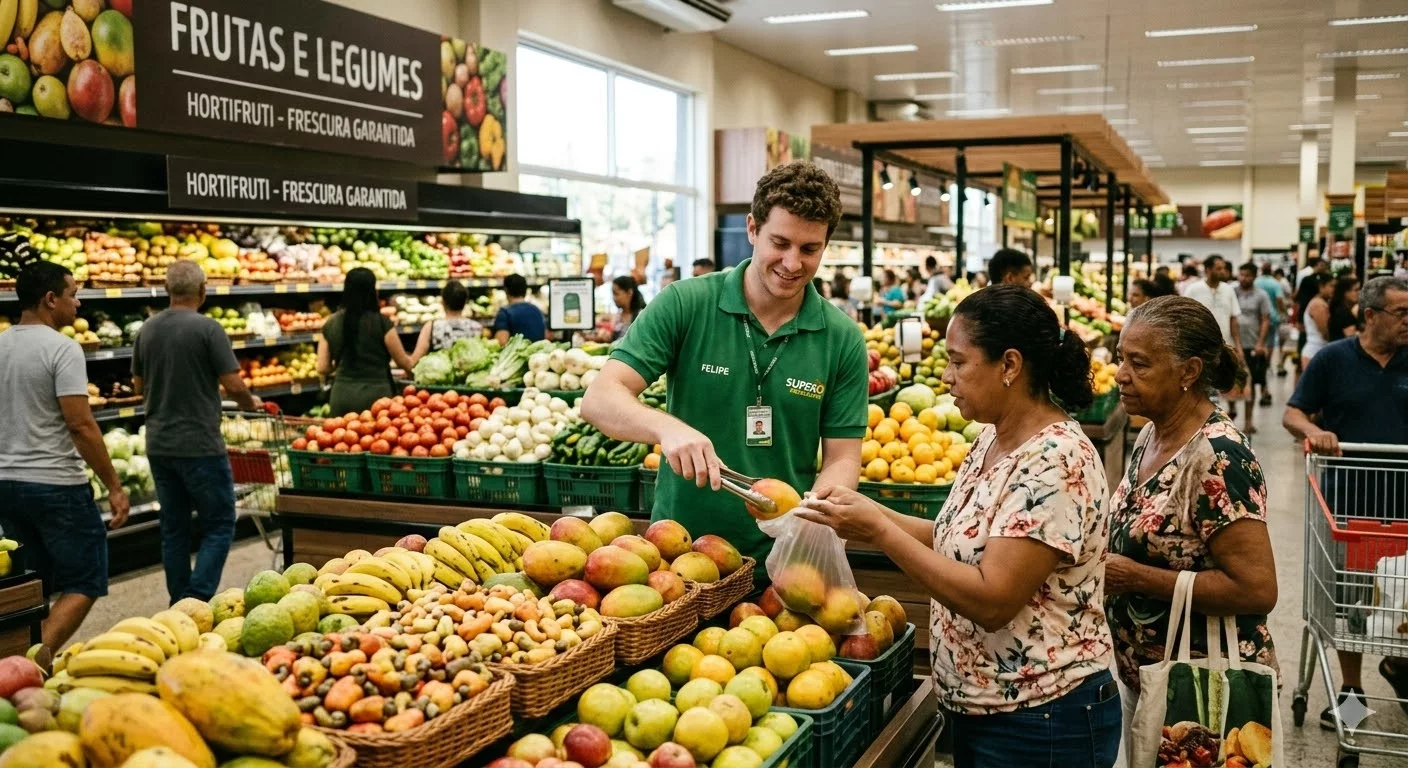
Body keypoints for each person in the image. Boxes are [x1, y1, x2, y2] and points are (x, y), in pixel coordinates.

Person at [797, 284, 1118, 767]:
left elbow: (993, 600)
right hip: (985, 710)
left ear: (1009, 366)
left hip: (1042, 721)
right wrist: (862, 509)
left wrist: (880, 533)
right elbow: (951, 535)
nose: (946, 376)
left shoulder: (1056, 461)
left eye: (958, 362)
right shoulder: (993, 437)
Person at [579, 160, 867, 570]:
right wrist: (667, 427)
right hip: (680, 561)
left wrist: (812, 524)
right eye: (779, 243)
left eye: (809, 249)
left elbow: (842, 457)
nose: (792, 263)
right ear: (752, 228)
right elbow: (600, 398)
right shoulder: (685, 303)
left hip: (784, 563)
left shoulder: (842, 337)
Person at [1104, 295, 1278, 741]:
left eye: (1139, 363)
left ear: (1189, 372)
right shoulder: (1150, 434)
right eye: (1121, 358)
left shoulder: (1218, 457)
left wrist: (1137, 577)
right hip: (1147, 676)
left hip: (1202, 690)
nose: (1121, 375)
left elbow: (1257, 588)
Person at [1283, 276, 1408, 727]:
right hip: (1349, 505)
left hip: (1405, 509)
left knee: (1402, 603)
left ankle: (1398, 664)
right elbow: (1292, 412)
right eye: (1402, 313)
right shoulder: (1332, 359)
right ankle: (1351, 695)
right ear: (1370, 316)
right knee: (1351, 604)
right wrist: (1315, 433)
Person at [0, 262, 130, 653]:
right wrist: (114, 485)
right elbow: (81, 425)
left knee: (32, 585)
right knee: (86, 580)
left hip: (7, 485)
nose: (79, 303)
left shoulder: (1, 345)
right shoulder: (62, 349)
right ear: (50, 299)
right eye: (73, 294)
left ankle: (18, 665)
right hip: (57, 485)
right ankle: (35, 661)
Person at [132, 261, 261, 604]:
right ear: (203, 291)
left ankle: (179, 599)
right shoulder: (208, 329)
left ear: (167, 289)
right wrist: (251, 404)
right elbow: (232, 382)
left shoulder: (147, 329)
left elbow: (138, 384)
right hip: (200, 444)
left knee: (173, 529)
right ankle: (197, 597)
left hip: (159, 443)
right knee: (219, 522)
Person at [317, 267, 417, 415]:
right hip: (377, 398)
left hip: (342, 396)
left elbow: (323, 367)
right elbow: (404, 363)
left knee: (341, 437)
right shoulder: (382, 323)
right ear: (373, 291)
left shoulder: (331, 323)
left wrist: (340, 367)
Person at [1233, 262, 1272, 431]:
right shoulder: (1232, 292)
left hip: (1252, 344)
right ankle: (1232, 409)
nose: (1244, 278)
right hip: (1234, 343)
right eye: (1241, 274)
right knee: (1231, 380)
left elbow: (1265, 319)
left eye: (1247, 275)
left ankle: (1249, 421)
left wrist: (1261, 343)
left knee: (1253, 382)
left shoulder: (1261, 295)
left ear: (1254, 276)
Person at [411, 280, 484, 359]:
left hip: (439, 371)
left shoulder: (432, 327)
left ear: (443, 302)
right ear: (465, 302)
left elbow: (415, 360)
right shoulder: (477, 327)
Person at [492, 274, 547, 345]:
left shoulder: (505, 313)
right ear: (525, 290)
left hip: (518, 355)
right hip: (538, 354)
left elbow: (501, 342)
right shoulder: (536, 310)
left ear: (506, 290)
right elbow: (546, 335)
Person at [1296, 272, 1334, 369]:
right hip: (1315, 351)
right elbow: (1325, 332)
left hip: (1317, 350)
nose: (1333, 289)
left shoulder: (1319, 302)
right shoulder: (1318, 304)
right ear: (1321, 287)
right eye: (1331, 286)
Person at [607, 275, 647, 340]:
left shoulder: (641, 317)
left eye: (616, 294)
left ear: (629, 293)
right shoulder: (618, 316)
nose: (614, 298)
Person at [1327, 275, 1361, 341]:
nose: (1359, 293)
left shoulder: (1345, 309)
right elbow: (1351, 337)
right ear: (1345, 293)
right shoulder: (1342, 312)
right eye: (1356, 290)